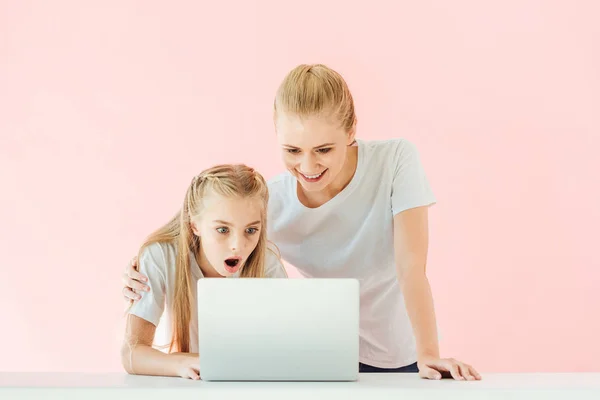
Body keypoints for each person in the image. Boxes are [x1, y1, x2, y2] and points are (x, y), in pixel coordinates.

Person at [122, 64, 481, 381]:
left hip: (401, 356)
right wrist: (144, 267)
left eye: (324, 150)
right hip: (320, 358)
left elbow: (411, 266)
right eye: (292, 151)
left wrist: (429, 352)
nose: (308, 168)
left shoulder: (395, 161)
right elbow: (214, 230)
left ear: (352, 129)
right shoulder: (269, 203)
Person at [121, 164, 287, 380]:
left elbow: (285, 351)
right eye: (222, 230)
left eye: (251, 230)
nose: (238, 245)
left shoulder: (267, 263)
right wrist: (181, 363)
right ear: (194, 225)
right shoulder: (161, 256)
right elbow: (132, 353)